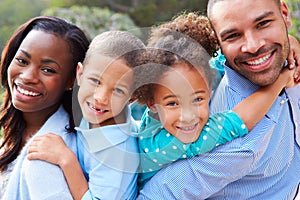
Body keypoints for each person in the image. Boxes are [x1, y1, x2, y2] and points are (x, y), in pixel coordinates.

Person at [137, 1, 300, 199]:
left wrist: (290, 43)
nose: (254, 45)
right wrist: (282, 78)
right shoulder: (234, 145)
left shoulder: (206, 71)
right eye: (233, 35)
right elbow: (158, 193)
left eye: (263, 23)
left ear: (284, 14)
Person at [26, 30, 145, 200]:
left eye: (118, 90)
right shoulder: (92, 114)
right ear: (80, 74)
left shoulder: (116, 153)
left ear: (131, 98)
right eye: (95, 81)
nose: (100, 98)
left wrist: (66, 159)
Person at [0, 16, 89, 199]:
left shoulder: (50, 155)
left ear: (72, 80)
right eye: (22, 61)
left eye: (48, 70)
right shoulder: (15, 133)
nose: (27, 76)